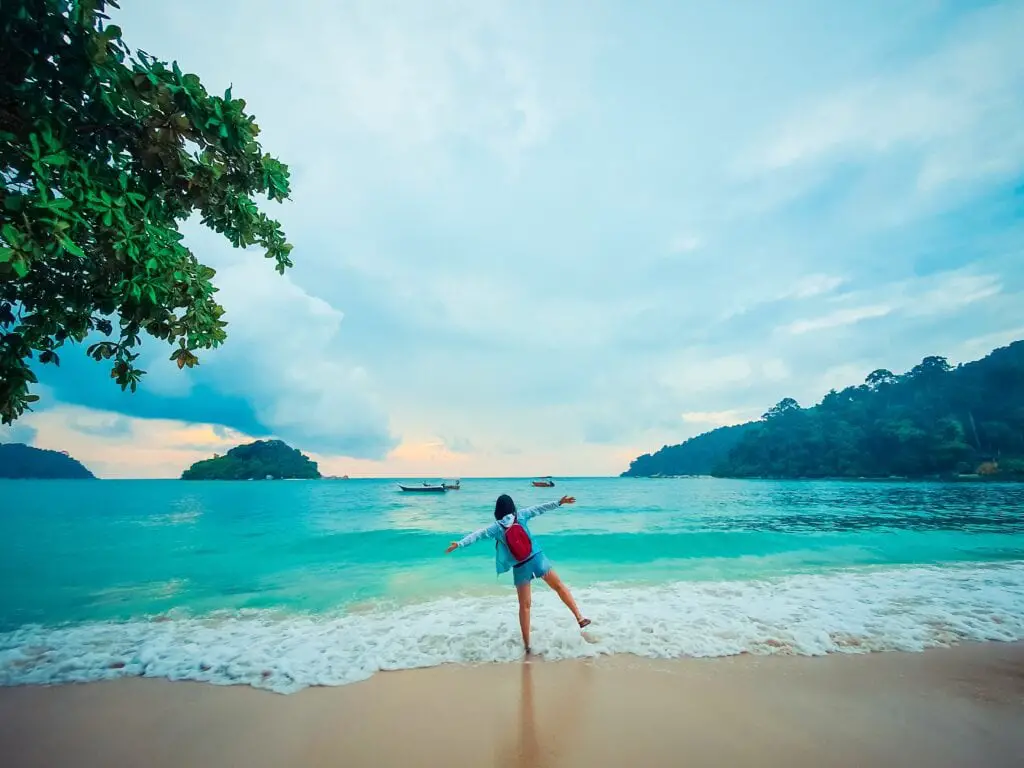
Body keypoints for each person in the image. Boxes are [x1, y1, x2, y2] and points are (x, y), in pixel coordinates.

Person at [445, 493, 591, 654]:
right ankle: (579, 617)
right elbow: (539, 509)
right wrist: (559, 502)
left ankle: (527, 645)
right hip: (538, 559)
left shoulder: (496, 527)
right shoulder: (520, 515)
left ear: (497, 510)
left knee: (525, 606)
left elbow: (478, 535)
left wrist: (459, 544)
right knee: (559, 587)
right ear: (512, 506)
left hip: (520, 568)